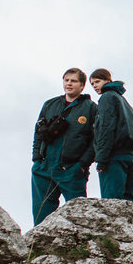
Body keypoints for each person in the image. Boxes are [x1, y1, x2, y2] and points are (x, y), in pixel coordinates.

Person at [30, 67, 97, 225]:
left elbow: (95, 140)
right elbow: (38, 133)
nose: (69, 84)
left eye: (73, 81)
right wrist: (37, 159)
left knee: (78, 217)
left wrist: (82, 164)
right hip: (45, 168)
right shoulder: (50, 104)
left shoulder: (91, 108)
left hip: (72, 170)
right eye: (66, 80)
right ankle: (39, 247)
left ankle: (79, 248)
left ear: (82, 85)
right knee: (41, 216)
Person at [89, 68, 133, 201]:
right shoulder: (122, 100)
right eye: (92, 84)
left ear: (107, 80)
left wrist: (101, 159)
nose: (94, 86)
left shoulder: (107, 97)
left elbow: (106, 128)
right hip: (130, 157)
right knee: (129, 202)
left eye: (97, 81)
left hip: (114, 157)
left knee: (112, 203)